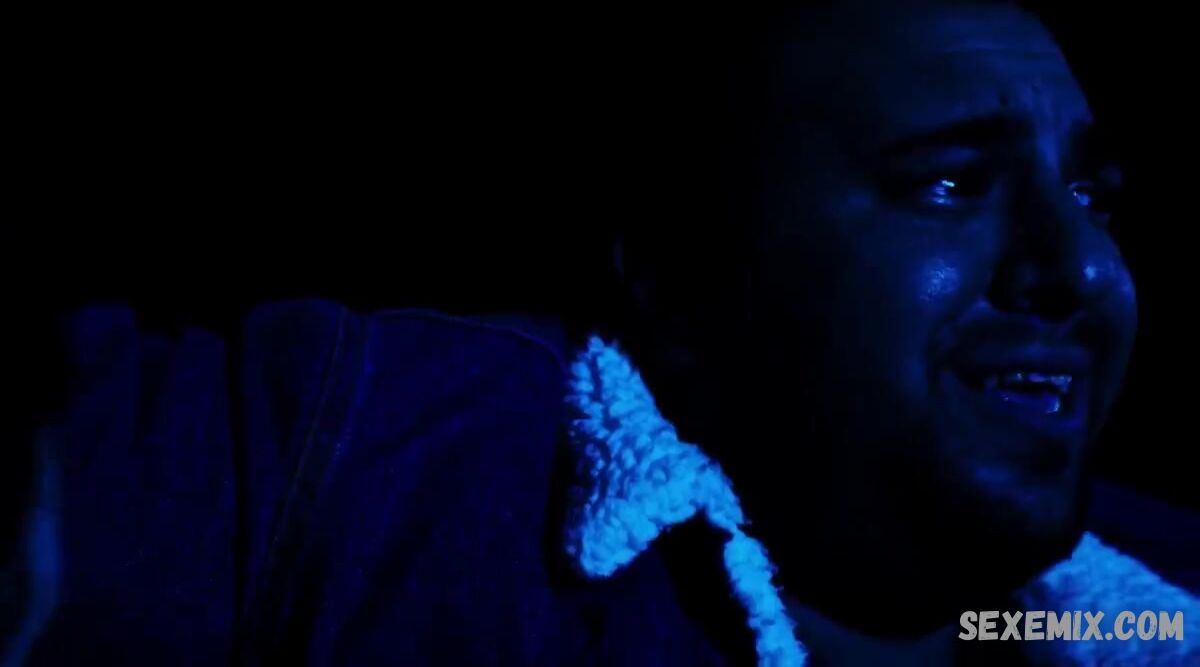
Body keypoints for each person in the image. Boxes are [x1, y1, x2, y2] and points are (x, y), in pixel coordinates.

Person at [5, 1, 1198, 665]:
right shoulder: (370, 456)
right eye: (948, 184)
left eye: (1093, 195)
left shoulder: (1166, 596)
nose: (1083, 269)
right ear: (678, 275)